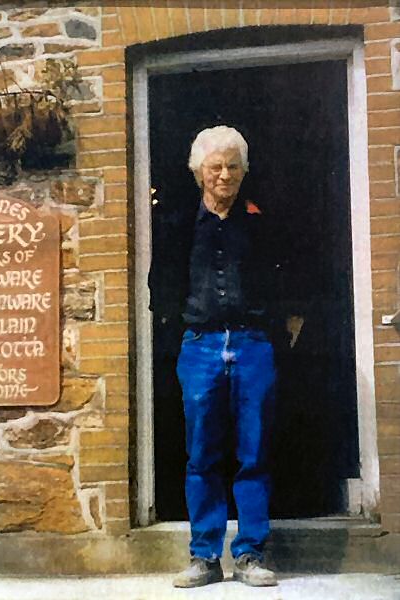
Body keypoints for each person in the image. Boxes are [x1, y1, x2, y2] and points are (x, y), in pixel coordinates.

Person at [148, 125, 296, 588]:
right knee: (202, 455)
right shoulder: (176, 222)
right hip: (200, 345)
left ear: (243, 170)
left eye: (233, 166)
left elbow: (290, 279)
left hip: (253, 344)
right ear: (199, 172)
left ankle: (250, 554)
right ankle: (204, 557)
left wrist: (281, 328)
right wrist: (176, 332)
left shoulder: (261, 220)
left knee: (252, 452)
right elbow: (160, 287)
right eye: (216, 166)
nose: (225, 175)